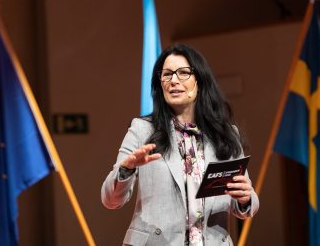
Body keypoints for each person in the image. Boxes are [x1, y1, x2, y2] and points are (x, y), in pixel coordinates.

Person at [101, 43, 259, 246]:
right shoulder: (143, 130)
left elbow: (245, 205)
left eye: (183, 73)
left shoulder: (226, 134)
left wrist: (246, 198)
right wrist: (126, 169)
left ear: (199, 81)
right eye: (167, 74)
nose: (173, 80)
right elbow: (110, 200)